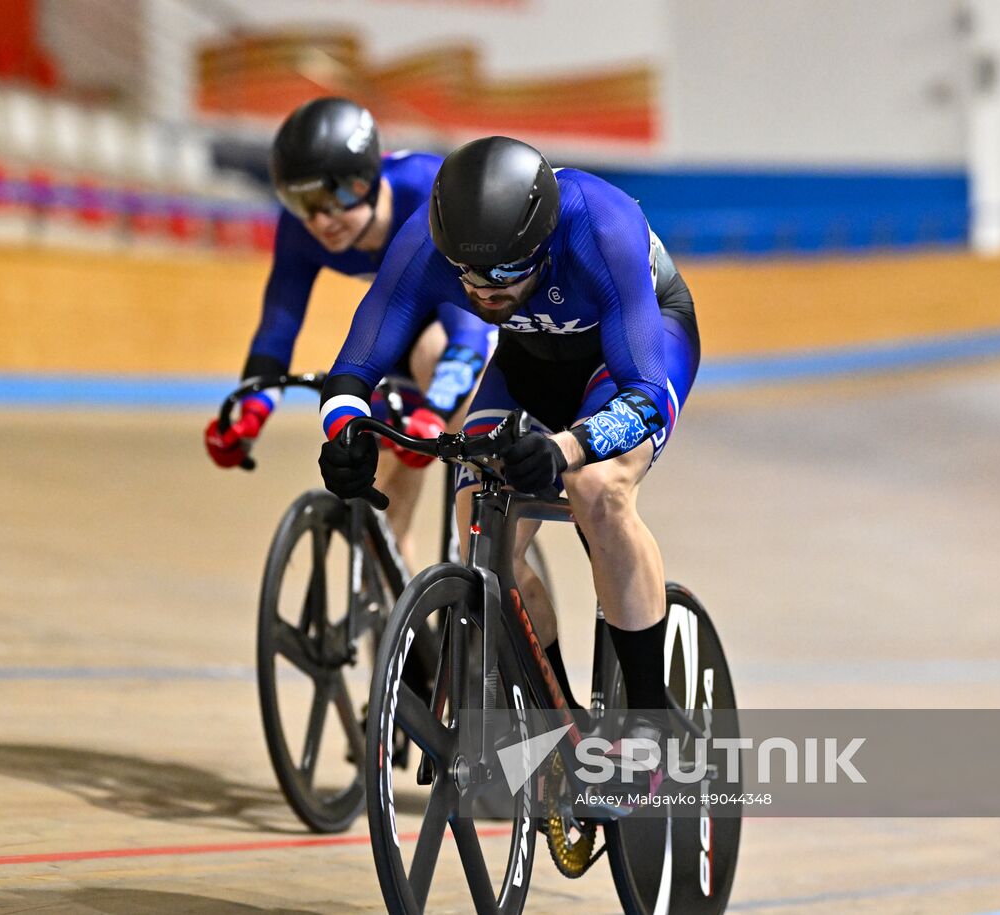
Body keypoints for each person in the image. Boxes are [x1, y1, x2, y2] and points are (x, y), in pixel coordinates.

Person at [316, 136, 701, 759]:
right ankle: (563, 726)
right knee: (480, 526)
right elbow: (356, 364)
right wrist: (343, 432)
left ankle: (650, 722)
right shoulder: (429, 243)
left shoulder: (600, 226)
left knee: (596, 490)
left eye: (501, 272)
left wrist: (567, 448)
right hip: (527, 364)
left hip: (632, 355)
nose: (481, 289)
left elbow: (648, 394)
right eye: (465, 272)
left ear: (542, 244)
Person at [205, 97, 492, 566]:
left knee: (434, 353)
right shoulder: (301, 230)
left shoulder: (427, 192)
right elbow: (278, 326)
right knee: (379, 504)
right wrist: (251, 410)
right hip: (395, 335)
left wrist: (436, 411)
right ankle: (402, 605)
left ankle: (479, 546)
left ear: (368, 178)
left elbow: (470, 329)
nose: (321, 220)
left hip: (461, 325)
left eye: (334, 196)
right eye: (302, 203)